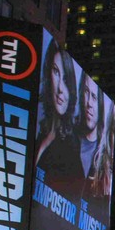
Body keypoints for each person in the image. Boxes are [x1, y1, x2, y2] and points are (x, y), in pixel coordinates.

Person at [34, 38, 79, 198]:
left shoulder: (71, 147)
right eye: (55, 72)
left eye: (66, 80)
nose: (60, 88)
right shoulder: (40, 133)